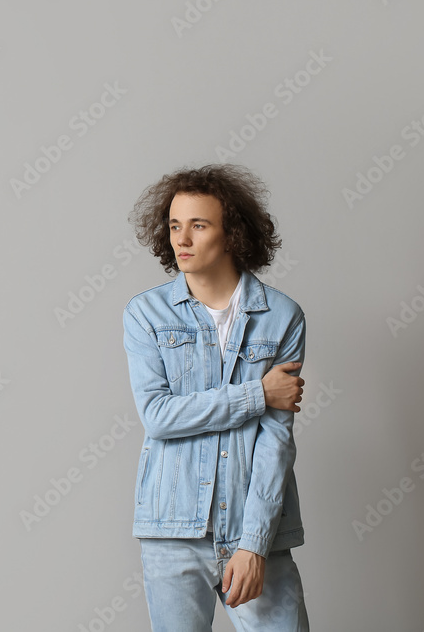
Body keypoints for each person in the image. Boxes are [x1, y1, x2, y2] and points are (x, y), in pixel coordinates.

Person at [122, 164, 310, 631]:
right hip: (172, 530)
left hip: (255, 531)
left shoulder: (281, 317)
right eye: (174, 225)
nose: (181, 238)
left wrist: (254, 544)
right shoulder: (145, 314)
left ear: (232, 235)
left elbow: (275, 442)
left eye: (198, 225)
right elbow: (159, 417)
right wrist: (257, 393)